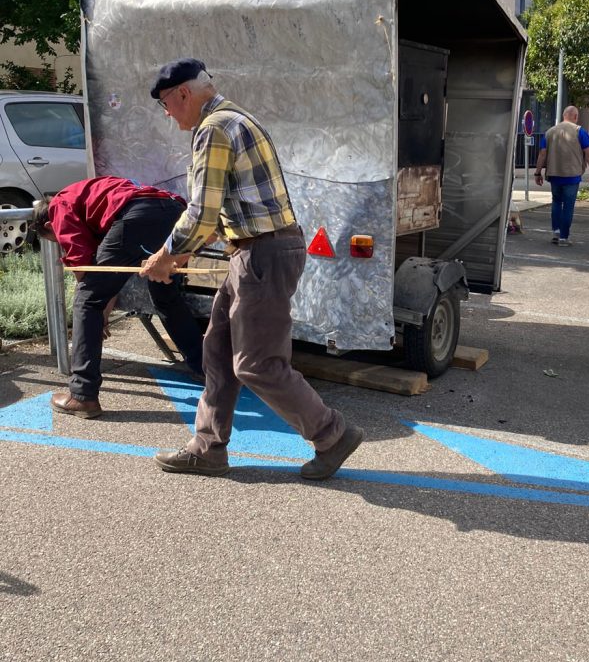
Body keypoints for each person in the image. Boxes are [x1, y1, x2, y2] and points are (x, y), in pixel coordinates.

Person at [141, 58, 363, 479]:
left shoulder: (215, 129)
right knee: (219, 352)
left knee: (257, 363)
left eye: (166, 104)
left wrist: (165, 255)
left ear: (184, 94)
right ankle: (207, 448)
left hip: (262, 255)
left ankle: (332, 434)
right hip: (257, 251)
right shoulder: (234, 118)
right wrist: (184, 252)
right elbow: (227, 207)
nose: (167, 115)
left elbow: (202, 211)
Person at [32, 176, 204, 418]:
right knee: (164, 292)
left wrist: (96, 308)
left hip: (137, 216)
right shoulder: (88, 196)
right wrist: (102, 309)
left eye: (55, 240)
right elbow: (108, 274)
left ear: (49, 226)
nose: (59, 242)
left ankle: (82, 395)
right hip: (175, 211)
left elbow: (84, 267)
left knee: (86, 299)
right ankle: (204, 366)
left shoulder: (59, 205)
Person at [534, 106, 589, 245]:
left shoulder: (549, 132)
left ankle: (556, 232)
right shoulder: (579, 131)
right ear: (575, 116)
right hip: (572, 175)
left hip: (554, 174)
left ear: (564, 116)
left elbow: (542, 154)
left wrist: (538, 173)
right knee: (568, 206)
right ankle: (564, 237)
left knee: (556, 202)